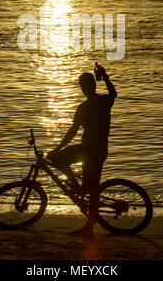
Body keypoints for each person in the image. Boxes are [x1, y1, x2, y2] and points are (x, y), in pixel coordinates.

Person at [47, 65, 117, 237]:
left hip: (97, 150)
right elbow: (72, 131)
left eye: (88, 85)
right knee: (57, 159)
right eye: (83, 86)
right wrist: (57, 148)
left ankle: (89, 228)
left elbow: (113, 94)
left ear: (93, 85)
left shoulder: (103, 102)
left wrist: (106, 78)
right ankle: (78, 188)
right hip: (85, 149)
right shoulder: (82, 107)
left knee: (93, 188)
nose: (85, 89)